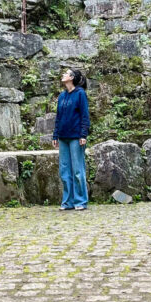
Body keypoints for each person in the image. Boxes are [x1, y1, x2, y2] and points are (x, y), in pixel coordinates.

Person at [52, 68, 90, 211]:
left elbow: (85, 115)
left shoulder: (80, 94)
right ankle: (67, 202)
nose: (63, 75)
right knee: (64, 170)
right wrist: (55, 136)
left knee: (78, 170)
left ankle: (80, 201)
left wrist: (83, 135)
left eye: (66, 73)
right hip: (63, 137)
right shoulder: (62, 96)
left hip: (76, 137)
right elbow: (58, 118)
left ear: (72, 77)